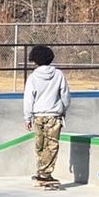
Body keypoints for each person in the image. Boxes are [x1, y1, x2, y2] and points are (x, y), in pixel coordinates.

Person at [23, 45, 71, 184]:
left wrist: (27, 117)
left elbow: (28, 99)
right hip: (54, 115)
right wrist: (63, 109)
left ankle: (42, 171)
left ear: (35, 60)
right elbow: (65, 96)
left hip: (38, 115)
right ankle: (45, 173)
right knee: (52, 145)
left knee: (40, 144)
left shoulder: (32, 77)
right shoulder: (59, 75)